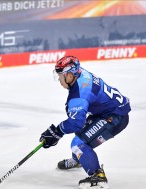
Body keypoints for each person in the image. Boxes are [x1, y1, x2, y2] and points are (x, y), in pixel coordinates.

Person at [39, 56, 130, 189]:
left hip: (115, 117)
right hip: (108, 111)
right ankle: (80, 159)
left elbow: (76, 122)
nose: (59, 79)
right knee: (81, 132)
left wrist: (57, 131)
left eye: (60, 75)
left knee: (77, 144)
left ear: (70, 76)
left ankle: (98, 176)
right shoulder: (80, 73)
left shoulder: (79, 95)